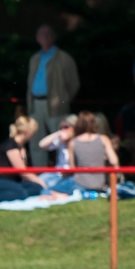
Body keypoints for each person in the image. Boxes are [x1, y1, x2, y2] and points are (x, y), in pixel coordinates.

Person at [0, 117, 67, 204]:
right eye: (33, 132)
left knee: (36, 188)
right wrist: (41, 182)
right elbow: (23, 172)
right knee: (22, 193)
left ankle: (17, 193)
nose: (33, 135)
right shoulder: (11, 146)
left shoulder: (21, 147)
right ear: (27, 132)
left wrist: (38, 185)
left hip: (11, 183)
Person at [25, 24, 80, 167]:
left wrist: (63, 100)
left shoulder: (64, 58)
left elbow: (74, 84)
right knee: (36, 142)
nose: (44, 37)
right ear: (37, 38)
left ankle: (62, 173)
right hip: (36, 104)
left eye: (47, 34)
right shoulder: (35, 58)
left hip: (56, 107)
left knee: (61, 141)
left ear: (53, 37)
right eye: (41, 34)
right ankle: (40, 176)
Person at [69, 111, 121, 194]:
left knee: (47, 190)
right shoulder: (104, 139)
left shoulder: (73, 142)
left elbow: (72, 168)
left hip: (79, 184)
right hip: (100, 184)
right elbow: (114, 161)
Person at [37, 114, 80, 195]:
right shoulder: (61, 141)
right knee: (38, 181)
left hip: (68, 175)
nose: (63, 130)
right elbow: (42, 144)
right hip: (56, 172)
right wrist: (58, 133)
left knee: (49, 188)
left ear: (75, 127)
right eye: (61, 128)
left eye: (66, 127)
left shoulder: (78, 142)